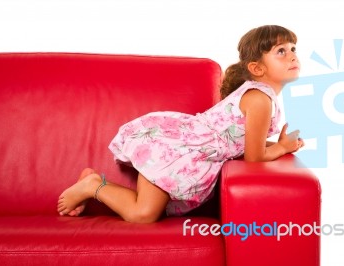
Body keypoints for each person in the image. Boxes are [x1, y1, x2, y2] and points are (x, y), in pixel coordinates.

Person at [57, 25, 304, 223]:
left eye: (293, 48)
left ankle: (94, 184)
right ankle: (93, 186)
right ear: (257, 68)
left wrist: (278, 143)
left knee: (147, 211)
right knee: (143, 215)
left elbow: (243, 142)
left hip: (192, 153)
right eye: (281, 51)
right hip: (179, 149)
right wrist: (282, 148)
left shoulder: (261, 96)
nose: (292, 55)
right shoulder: (260, 99)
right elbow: (253, 156)